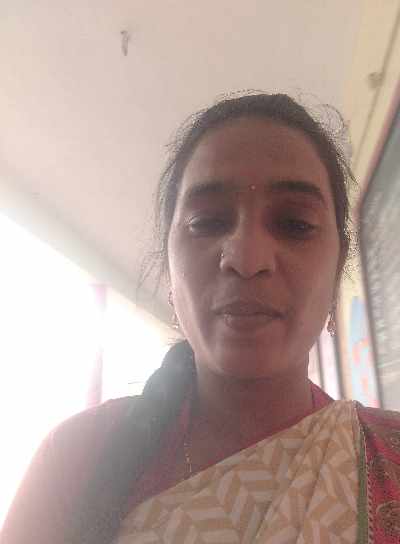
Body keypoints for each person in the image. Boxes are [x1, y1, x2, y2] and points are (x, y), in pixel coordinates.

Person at [3, 93, 400, 544]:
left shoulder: (390, 458)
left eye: (295, 224)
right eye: (207, 222)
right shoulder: (76, 460)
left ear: (337, 267)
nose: (247, 258)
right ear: (170, 271)